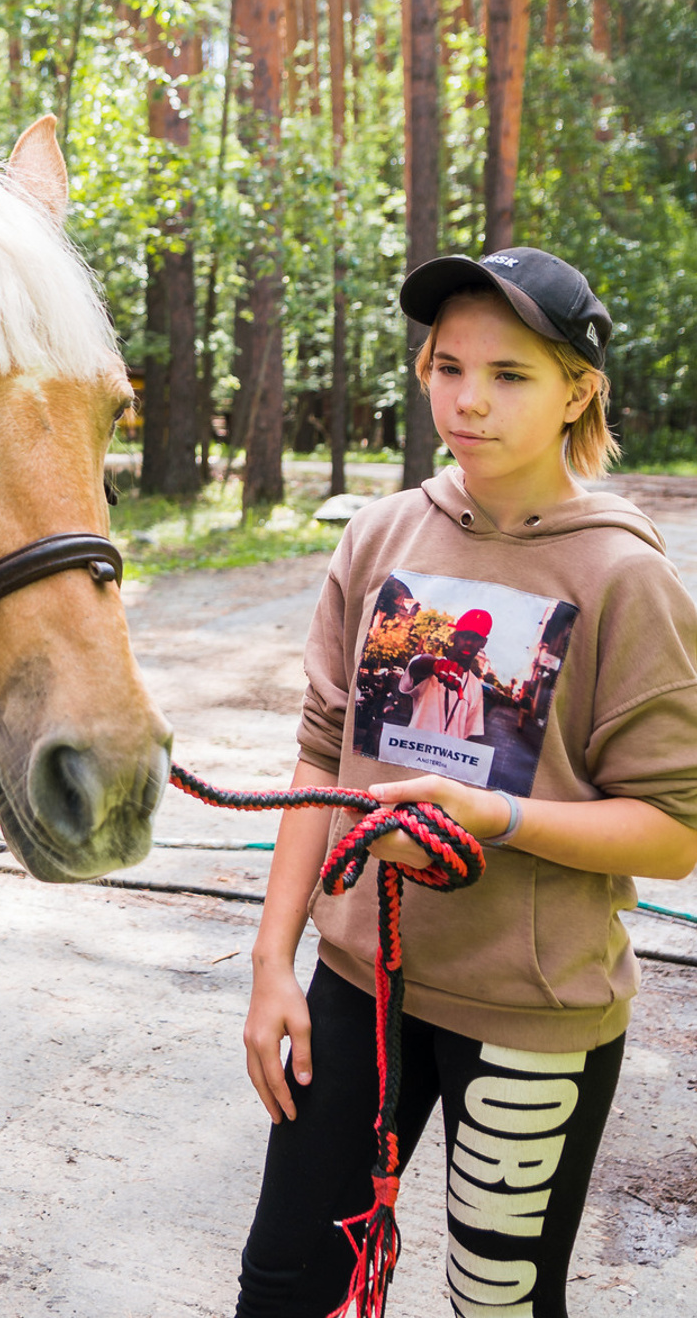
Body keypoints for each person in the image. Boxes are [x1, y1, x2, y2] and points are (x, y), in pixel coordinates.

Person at [233, 247, 697, 1317]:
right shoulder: (379, 535)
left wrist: (496, 816)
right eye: (447, 367)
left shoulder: (626, 577)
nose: (468, 401)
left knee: (496, 1304)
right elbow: (318, 752)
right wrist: (274, 964)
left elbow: (674, 832)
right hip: (355, 990)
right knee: (287, 1283)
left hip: (532, 1016)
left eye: (510, 375)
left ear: (579, 389)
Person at [394, 607, 497, 739]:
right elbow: (418, 665)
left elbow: (470, 735)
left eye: (476, 638)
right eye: (465, 635)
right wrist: (435, 665)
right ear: (454, 636)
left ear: (483, 643)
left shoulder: (476, 686)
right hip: (414, 752)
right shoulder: (427, 665)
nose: (469, 642)